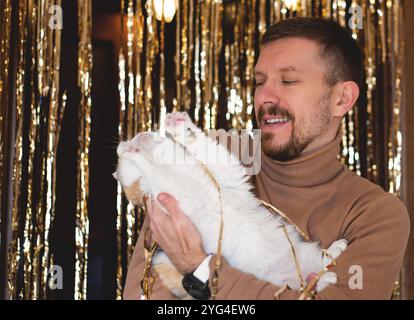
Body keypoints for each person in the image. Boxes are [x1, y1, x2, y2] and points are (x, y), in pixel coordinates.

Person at [122, 17, 410, 300]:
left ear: (342, 99)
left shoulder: (373, 213)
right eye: (260, 82)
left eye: (288, 80)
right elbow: (145, 294)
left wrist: (200, 268)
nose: (265, 97)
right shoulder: (199, 164)